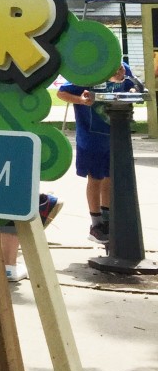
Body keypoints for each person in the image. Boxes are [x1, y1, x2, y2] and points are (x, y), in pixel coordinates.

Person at [56, 59, 138, 243]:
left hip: (115, 134)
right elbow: (62, 92)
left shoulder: (124, 68)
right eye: (115, 69)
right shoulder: (90, 72)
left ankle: (108, 220)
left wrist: (131, 92)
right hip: (91, 136)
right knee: (95, 178)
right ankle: (96, 223)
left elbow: (133, 87)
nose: (119, 71)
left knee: (109, 176)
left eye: (120, 68)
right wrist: (80, 100)